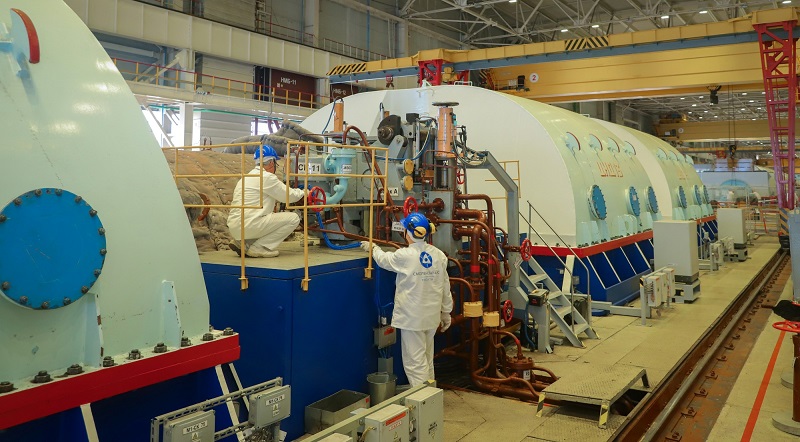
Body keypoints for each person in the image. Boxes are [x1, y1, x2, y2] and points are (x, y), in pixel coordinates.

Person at [360, 213, 453, 386]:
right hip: (431, 317)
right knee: (427, 359)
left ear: (408, 233)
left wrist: (373, 248)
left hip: (412, 319)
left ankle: (423, 399)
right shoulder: (438, 255)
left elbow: (384, 260)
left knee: (415, 364)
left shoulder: (405, 256)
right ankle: (431, 395)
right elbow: (445, 285)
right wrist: (446, 312)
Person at [227, 145, 306, 258]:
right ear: (271, 162)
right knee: (294, 218)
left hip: (234, 226)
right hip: (249, 225)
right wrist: (304, 192)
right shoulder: (267, 177)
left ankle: (244, 242)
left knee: (264, 217)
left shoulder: (246, 177)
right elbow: (288, 196)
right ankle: (259, 247)